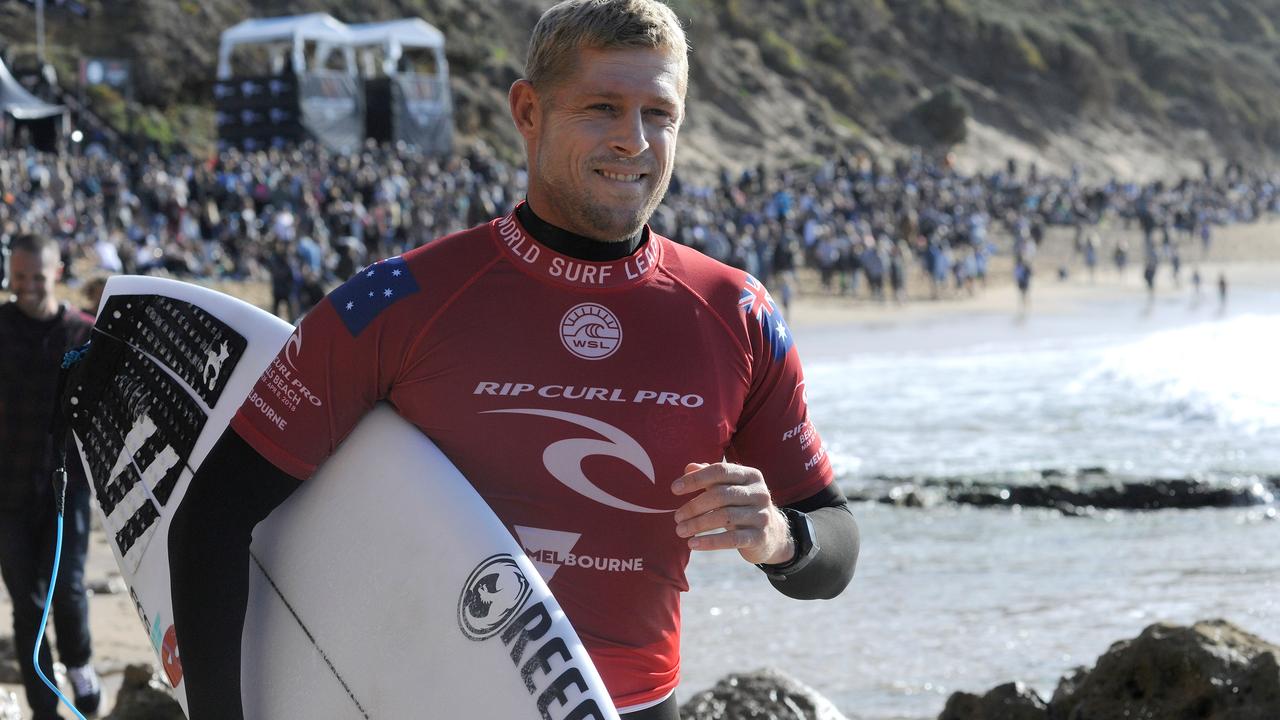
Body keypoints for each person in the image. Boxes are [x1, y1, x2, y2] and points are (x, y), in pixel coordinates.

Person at [166, 2, 859, 720]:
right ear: (528, 111)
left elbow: (834, 547)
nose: (635, 140)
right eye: (602, 107)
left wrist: (780, 536)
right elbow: (212, 517)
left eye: (660, 114)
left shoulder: (734, 313)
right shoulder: (402, 301)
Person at [0, 234, 100, 719]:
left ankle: (81, 669)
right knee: (28, 603)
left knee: (69, 590)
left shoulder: (84, 333)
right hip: (8, 491)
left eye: (37, 276)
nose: (28, 286)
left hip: (69, 487)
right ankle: (44, 707)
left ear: (56, 272)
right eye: (19, 277)